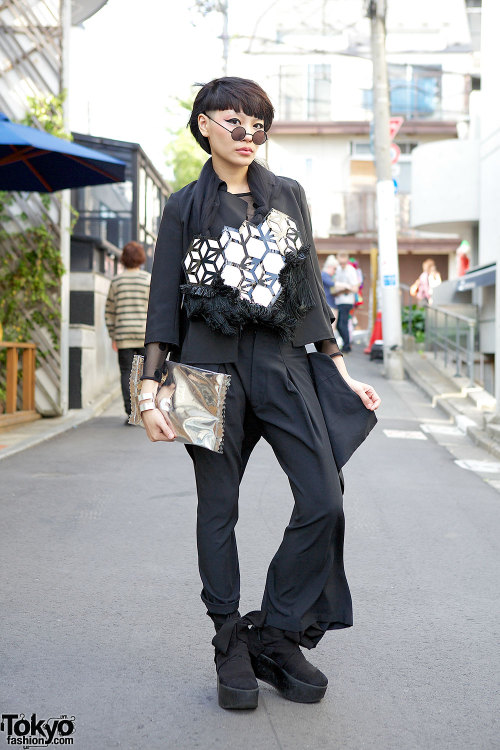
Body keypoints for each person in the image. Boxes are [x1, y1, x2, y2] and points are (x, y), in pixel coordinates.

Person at [139, 77, 380, 711]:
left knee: (324, 498)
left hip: (280, 361)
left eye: (259, 125)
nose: (248, 135)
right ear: (204, 127)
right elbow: (164, 301)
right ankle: (227, 642)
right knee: (217, 509)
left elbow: (307, 289)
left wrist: (340, 369)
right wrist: (148, 389)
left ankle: (275, 631)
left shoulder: (287, 197)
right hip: (201, 370)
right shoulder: (183, 206)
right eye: (235, 121)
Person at [105, 241, 151, 422]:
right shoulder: (148, 280)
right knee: (145, 374)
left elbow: (109, 311)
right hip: (144, 336)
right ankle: (144, 411)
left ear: (123, 259)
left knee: (126, 373)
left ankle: (131, 412)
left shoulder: (116, 281)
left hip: (124, 337)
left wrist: (113, 335)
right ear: (141, 258)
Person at [332, 252, 359, 352]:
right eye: (340, 263)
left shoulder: (351, 270)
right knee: (339, 325)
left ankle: (347, 346)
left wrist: (343, 290)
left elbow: (355, 288)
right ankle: (346, 344)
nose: (342, 265)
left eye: (344, 263)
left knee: (342, 324)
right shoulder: (337, 269)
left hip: (347, 301)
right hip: (338, 301)